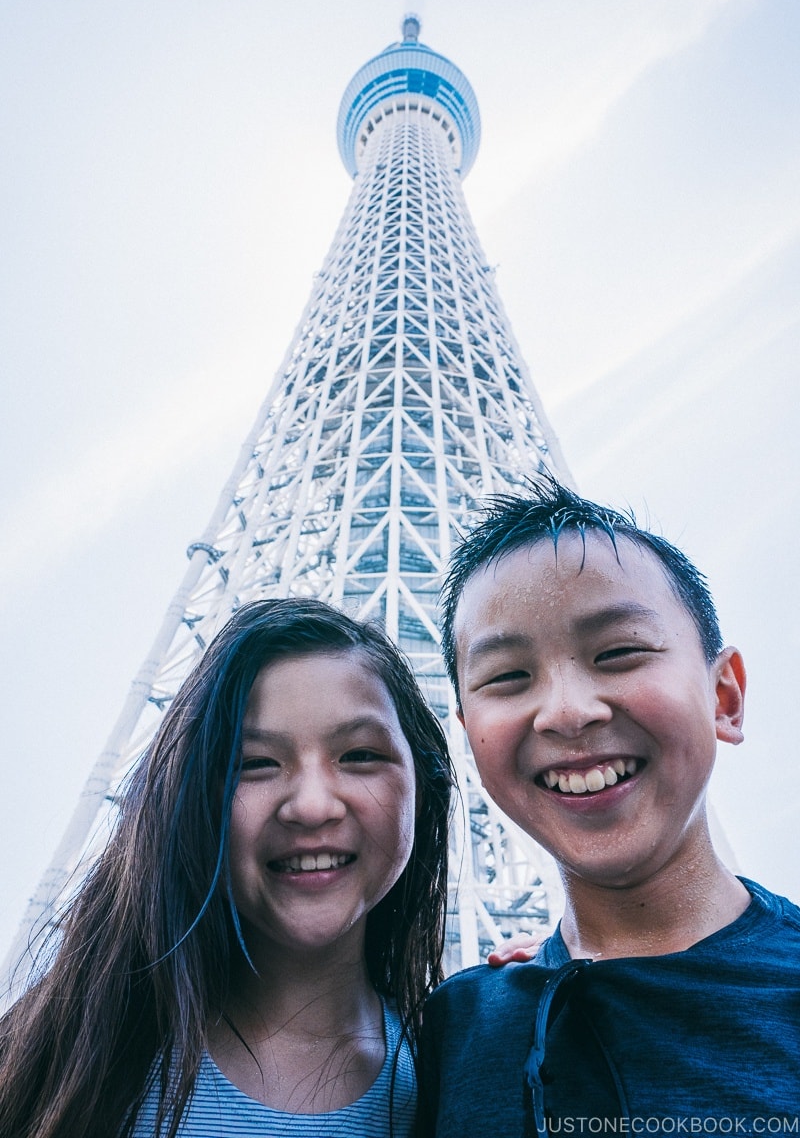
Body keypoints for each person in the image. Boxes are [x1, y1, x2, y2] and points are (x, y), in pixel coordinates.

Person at [417, 477, 800, 1136]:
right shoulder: (448, 1034)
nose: (568, 711)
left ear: (725, 697)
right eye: (508, 677)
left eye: (618, 653)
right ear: (470, 737)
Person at [0, 597, 454, 1138]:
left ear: (423, 789)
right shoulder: (53, 1064)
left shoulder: (468, 1077)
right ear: (189, 799)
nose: (312, 805)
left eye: (359, 755)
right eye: (255, 763)